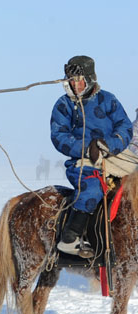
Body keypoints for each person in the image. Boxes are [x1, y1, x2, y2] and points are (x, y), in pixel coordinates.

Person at [51, 55, 132, 258]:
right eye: (71, 80)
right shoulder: (64, 105)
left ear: (90, 79)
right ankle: (70, 238)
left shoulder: (108, 99)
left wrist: (107, 145)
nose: (75, 84)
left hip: (112, 156)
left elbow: (125, 127)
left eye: (79, 80)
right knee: (93, 188)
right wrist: (87, 149)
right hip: (82, 162)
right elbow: (59, 136)